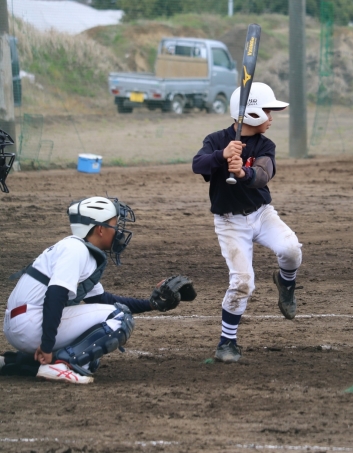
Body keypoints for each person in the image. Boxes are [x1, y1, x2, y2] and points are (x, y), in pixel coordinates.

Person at [1, 197, 171, 384]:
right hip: (31, 323)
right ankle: (59, 366)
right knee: (119, 317)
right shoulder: (76, 250)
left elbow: (102, 300)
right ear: (100, 229)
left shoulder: (78, 249)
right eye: (114, 225)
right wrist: (47, 346)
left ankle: (14, 362)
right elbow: (55, 296)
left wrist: (151, 304)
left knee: (89, 358)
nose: (118, 232)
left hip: (22, 323)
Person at [192, 82, 302, 364]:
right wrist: (222, 155)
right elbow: (198, 165)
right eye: (268, 111)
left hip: (261, 214)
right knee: (242, 282)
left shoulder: (266, 144)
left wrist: (243, 172)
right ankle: (226, 343)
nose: (271, 117)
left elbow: (264, 174)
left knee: (291, 249)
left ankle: (286, 283)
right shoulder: (217, 140)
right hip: (230, 222)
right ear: (252, 112)